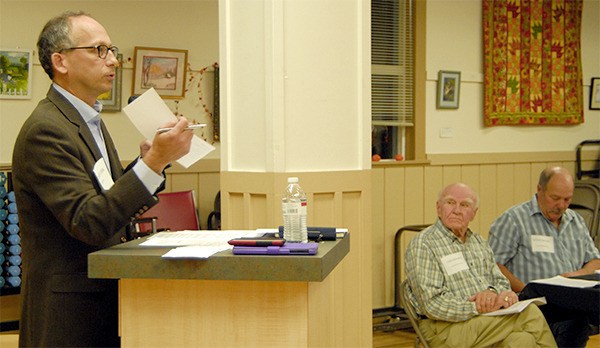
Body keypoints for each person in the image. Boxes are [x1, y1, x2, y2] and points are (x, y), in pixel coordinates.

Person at [12, 11, 194, 347]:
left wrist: (149, 162)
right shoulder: (46, 130)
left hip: (103, 296)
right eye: (99, 50)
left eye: (112, 50)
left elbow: (104, 199)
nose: (112, 61)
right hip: (69, 311)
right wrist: (153, 162)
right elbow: (89, 221)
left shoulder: (88, 119)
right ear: (60, 62)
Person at [405, 183, 556, 347]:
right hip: (444, 328)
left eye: (464, 205)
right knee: (529, 313)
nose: (456, 210)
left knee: (521, 341)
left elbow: (501, 281)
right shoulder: (424, 244)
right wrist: (479, 306)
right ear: (438, 208)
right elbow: (432, 305)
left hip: (484, 322)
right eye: (450, 203)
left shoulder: (478, 242)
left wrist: (494, 293)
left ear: (473, 213)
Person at [489, 166, 600, 347]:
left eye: (567, 199)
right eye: (555, 198)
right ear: (540, 190)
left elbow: (595, 260)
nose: (561, 205)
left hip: (572, 302)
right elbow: (494, 265)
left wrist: (577, 275)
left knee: (581, 317)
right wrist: (529, 291)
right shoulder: (514, 219)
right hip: (534, 305)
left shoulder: (575, 221)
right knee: (573, 323)